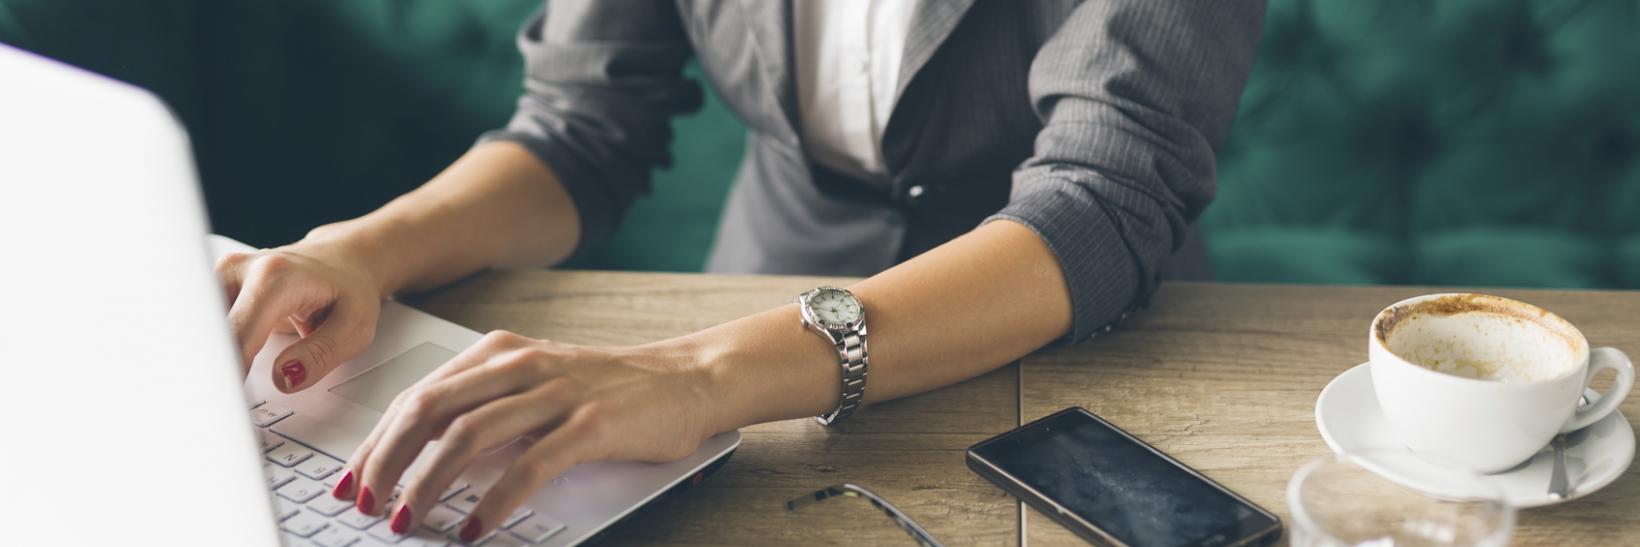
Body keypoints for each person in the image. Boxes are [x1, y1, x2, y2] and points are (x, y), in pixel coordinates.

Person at [217, 0, 1264, 541]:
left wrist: (700, 375)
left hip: (1076, 347)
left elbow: (1102, 196)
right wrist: (356, 248)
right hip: (764, 325)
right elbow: (582, 126)